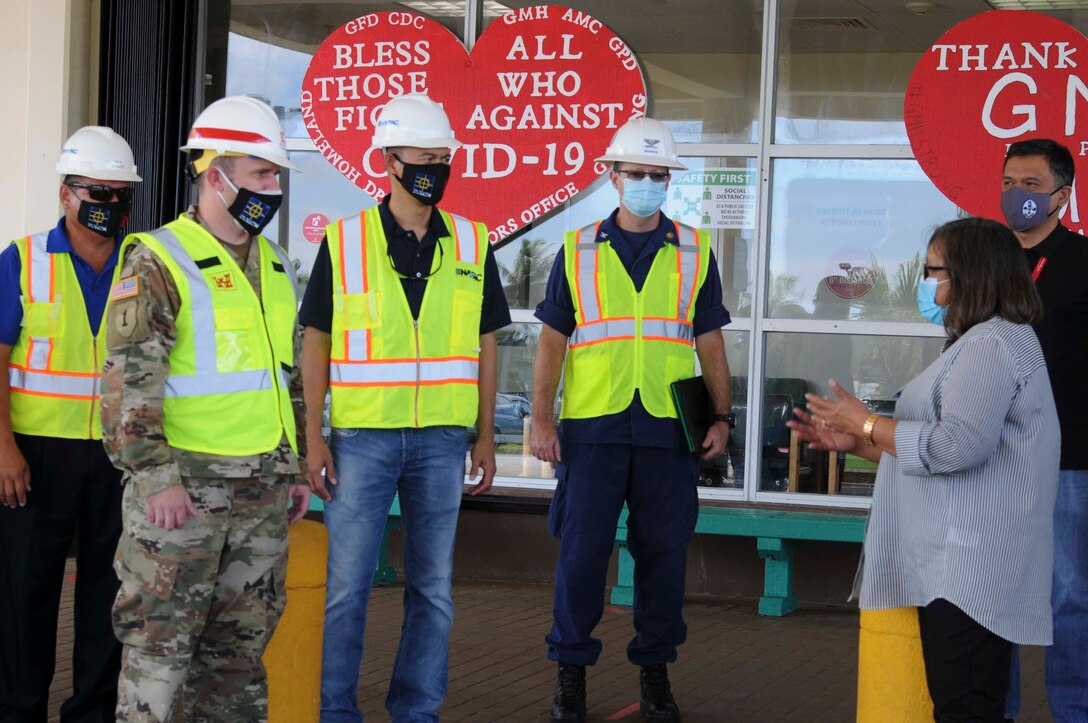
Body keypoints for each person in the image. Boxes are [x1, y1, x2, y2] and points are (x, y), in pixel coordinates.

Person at [793, 217, 1058, 722]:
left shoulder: (992, 346)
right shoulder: (979, 342)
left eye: (933, 270)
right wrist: (858, 441)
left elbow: (958, 447)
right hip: (956, 564)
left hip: (972, 568)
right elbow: (946, 445)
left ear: (969, 274)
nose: (925, 281)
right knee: (962, 702)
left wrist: (870, 423)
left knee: (966, 707)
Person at [301, 93, 511, 722]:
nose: (437, 169)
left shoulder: (473, 243)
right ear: (388, 160)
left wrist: (484, 436)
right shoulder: (344, 242)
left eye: (444, 158)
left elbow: (487, 343)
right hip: (362, 438)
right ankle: (335, 713)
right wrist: (313, 436)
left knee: (434, 592)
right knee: (345, 593)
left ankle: (416, 712)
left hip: (444, 439)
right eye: (426, 157)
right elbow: (315, 341)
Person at [100, 96, 310, 723]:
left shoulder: (273, 263)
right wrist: (154, 475)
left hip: (260, 493)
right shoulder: (159, 258)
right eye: (260, 174)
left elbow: (285, 373)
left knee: (237, 662)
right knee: (159, 658)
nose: (272, 189)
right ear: (214, 173)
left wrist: (291, 464)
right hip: (183, 496)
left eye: (275, 176)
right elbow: (129, 379)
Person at [530, 117, 734, 723]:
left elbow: (711, 343)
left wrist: (722, 417)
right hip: (593, 427)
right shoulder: (576, 248)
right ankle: (571, 675)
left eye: (657, 174)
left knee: (664, 555)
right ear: (612, 176)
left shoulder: (696, 250)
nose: (647, 183)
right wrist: (541, 418)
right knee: (582, 556)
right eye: (636, 173)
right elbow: (550, 342)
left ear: (668, 179)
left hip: (669, 430)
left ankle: (655, 674)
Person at [0, 126, 141, 722]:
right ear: (65, 193)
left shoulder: (146, 262)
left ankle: (92, 713)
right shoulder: (23, 259)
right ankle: (17, 711)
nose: (108, 206)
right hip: (35, 455)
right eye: (95, 193)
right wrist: (4, 450)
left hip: (118, 454)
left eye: (118, 195)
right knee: (24, 596)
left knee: (108, 598)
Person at [998, 138, 1087, 721]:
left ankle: (1074, 709)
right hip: (994, 453)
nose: (1017, 195)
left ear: (1062, 193)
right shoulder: (990, 259)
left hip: (1068, 457)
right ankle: (994, 708)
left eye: (1032, 185)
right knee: (992, 593)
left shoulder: (1082, 261)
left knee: (1069, 596)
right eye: (1010, 181)